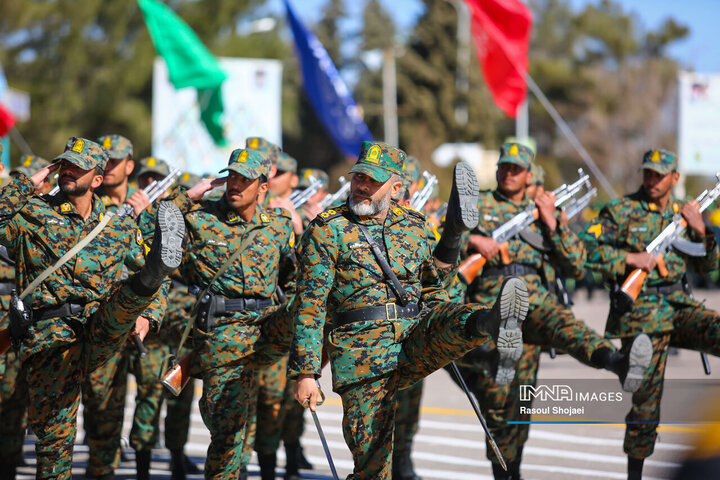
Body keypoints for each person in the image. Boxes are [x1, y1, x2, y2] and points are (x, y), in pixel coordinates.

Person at [289, 141, 531, 480]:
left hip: (410, 337)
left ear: (396, 186)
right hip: (361, 355)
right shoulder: (327, 230)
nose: (361, 185)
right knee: (373, 463)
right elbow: (310, 306)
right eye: (358, 177)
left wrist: (441, 315)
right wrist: (306, 373)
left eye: (372, 181)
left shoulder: (413, 226)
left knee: (450, 313)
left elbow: (432, 287)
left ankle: (490, 320)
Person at [463, 143, 653, 479]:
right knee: (501, 405)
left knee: (566, 329)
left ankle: (617, 362)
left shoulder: (545, 209)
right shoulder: (480, 204)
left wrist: (552, 222)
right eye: (504, 167)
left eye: (516, 169)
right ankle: (506, 474)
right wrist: (472, 242)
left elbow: (578, 265)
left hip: (535, 297)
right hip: (493, 301)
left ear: (529, 174)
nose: (509, 173)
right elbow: (446, 238)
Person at [0, 137, 184, 478]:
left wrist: (148, 315)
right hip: (49, 338)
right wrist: (27, 183)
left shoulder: (117, 225)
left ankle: (152, 273)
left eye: (77, 167)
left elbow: (157, 287)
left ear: (97, 180)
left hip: (100, 329)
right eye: (64, 164)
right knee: (56, 443)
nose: (67, 170)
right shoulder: (32, 215)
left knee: (135, 288)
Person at [581, 148, 720, 480]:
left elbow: (709, 267)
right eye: (648, 173)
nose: (652, 180)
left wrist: (702, 231)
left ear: (675, 178)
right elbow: (586, 251)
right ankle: (635, 475)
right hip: (641, 309)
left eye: (659, 174)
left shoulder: (685, 214)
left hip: (679, 306)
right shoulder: (620, 210)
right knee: (645, 403)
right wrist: (631, 260)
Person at [171, 147, 297, 478]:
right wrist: (188, 196)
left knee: (270, 404)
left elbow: (296, 274)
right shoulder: (200, 218)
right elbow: (148, 226)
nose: (235, 185)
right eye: (231, 177)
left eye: (245, 180)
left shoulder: (279, 224)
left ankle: (267, 467)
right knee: (226, 427)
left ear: (263, 187)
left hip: (266, 330)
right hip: (222, 333)